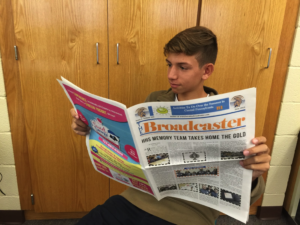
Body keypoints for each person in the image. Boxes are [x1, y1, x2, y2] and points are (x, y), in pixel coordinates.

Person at [70, 26, 271, 225]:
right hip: (136, 199)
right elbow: (128, 144)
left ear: (206, 70)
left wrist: (253, 175)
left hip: (188, 214)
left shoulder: (229, 119)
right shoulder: (155, 101)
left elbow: (246, 196)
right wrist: (90, 126)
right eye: (169, 64)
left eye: (183, 67)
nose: (171, 75)